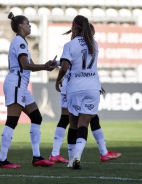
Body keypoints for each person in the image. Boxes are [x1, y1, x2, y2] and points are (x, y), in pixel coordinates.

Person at [49, 24, 121, 166]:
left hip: (72, 88)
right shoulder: (91, 44)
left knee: (77, 121)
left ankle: (72, 156)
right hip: (81, 87)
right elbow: (78, 65)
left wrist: (56, 63)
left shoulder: (71, 45)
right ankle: (61, 154)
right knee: (78, 121)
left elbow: (69, 63)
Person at [0, 12, 56, 169]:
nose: (30, 26)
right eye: (28, 23)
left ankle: (37, 157)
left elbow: (31, 66)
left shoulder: (21, 42)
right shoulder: (19, 42)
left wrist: (48, 65)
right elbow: (25, 65)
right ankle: (2, 160)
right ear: (21, 26)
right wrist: (44, 67)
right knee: (12, 121)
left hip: (20, 86)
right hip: (15, 84)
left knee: (36, 117)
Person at [54, 15, 104, 170]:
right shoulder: (94, 44)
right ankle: (77, 157)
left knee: (73, 124)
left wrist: (58, 80)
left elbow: (64, 67)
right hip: (93, 88)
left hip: (75, 88)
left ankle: (71, 160)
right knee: (84, 124)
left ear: (74, 27)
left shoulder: (69, 45)